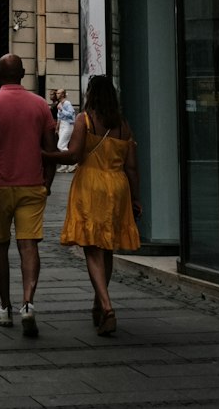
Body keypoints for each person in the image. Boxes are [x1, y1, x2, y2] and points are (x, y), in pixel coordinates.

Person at [45, 74, 141, 337]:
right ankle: (99, 303)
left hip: (91, 186)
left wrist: (46, 155)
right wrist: (135, 198)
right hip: (117, 187)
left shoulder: (84, 120)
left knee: (91, 246)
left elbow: (74, 155)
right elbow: (132, 167)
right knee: (106, 248)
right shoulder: (123, 125)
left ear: (91, 94)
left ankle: (107, 307)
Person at [0, 53, 56, 337]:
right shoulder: (40, 105)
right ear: (22, 74)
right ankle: (28, 303)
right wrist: (47, 182)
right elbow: (51, 149)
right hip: (32, 184)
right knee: (28, 245)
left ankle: (5, 309)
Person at [56, 88, 76, 171]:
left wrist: (61, 109)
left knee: (60, 145)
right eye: (57, 93)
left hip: (68, 125)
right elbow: (59, 117)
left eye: (58, 93)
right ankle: (65, 165)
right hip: (62, 125)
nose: (57, 94)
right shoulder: (60, 103)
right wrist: (57, 127)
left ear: (63, 94)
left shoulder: (67, 103)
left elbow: (71, 114)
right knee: (63, 145)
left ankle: (73, 162)